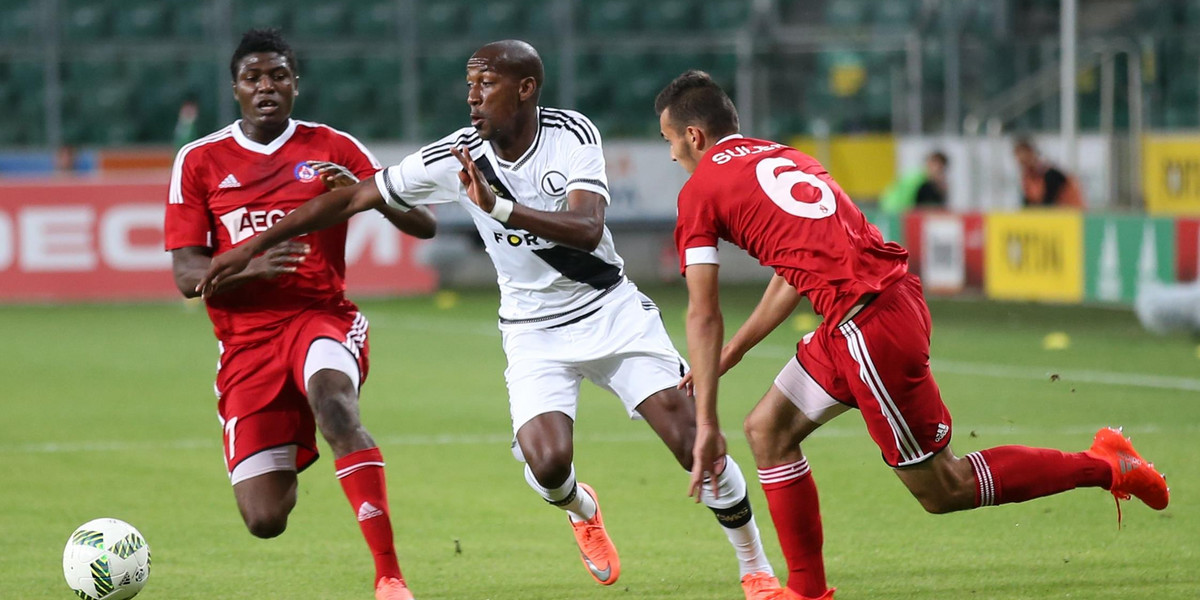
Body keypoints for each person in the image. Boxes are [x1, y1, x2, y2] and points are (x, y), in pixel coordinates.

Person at [198, 40, 784, 600]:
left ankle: (754, 567)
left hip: (610, 311)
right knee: (549, 465)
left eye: (486, 83)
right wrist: (247, 248)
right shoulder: (453, 154)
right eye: (469, 85)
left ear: (526, 88)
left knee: (689, 440)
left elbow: (586, 227)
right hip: (533, 334)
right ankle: (582, 508)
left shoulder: (571, 134)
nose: (473, 95)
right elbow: (353, 199)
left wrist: (497, 206)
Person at [654, 71, 1169, 600]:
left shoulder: (700, 191)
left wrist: (706, 422)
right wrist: (734, 353)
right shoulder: (781, 156)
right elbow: (792, 271)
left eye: (670, 140)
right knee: (768, 430)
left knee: (943, 488)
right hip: (866, 311)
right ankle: (807, 592)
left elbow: (703, 313)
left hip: (868, 327)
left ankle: (1108, 466)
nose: (671, 155)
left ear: (694, 136)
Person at [165, 29, 435, 600]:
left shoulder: (333, 146)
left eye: (278, 75)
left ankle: (389, 576)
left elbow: (424, 223)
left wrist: (374, 194)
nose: (266, 86)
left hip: (320, 317)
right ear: (235, 88)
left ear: (294, 84)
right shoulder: (200, 160)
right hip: (245, 347)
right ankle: (298, 426)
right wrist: (250, 271)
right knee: (266, 517)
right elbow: (189, 277)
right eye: (253, 78)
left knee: (336, 401)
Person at [1014, 138, 1085, 208]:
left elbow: (1047, 203)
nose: (1019, 161)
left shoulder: (1050, 174)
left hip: (1069, 213)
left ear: (1031, 153)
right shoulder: (1028, 176)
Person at [878, 151, 948, 214]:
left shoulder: (922, 178)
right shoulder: (916, 179)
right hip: (895, 211)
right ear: (929, 163)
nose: (938, 170)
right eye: (937, 166)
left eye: (941, 168)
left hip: (894, 210)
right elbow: (902, 200)